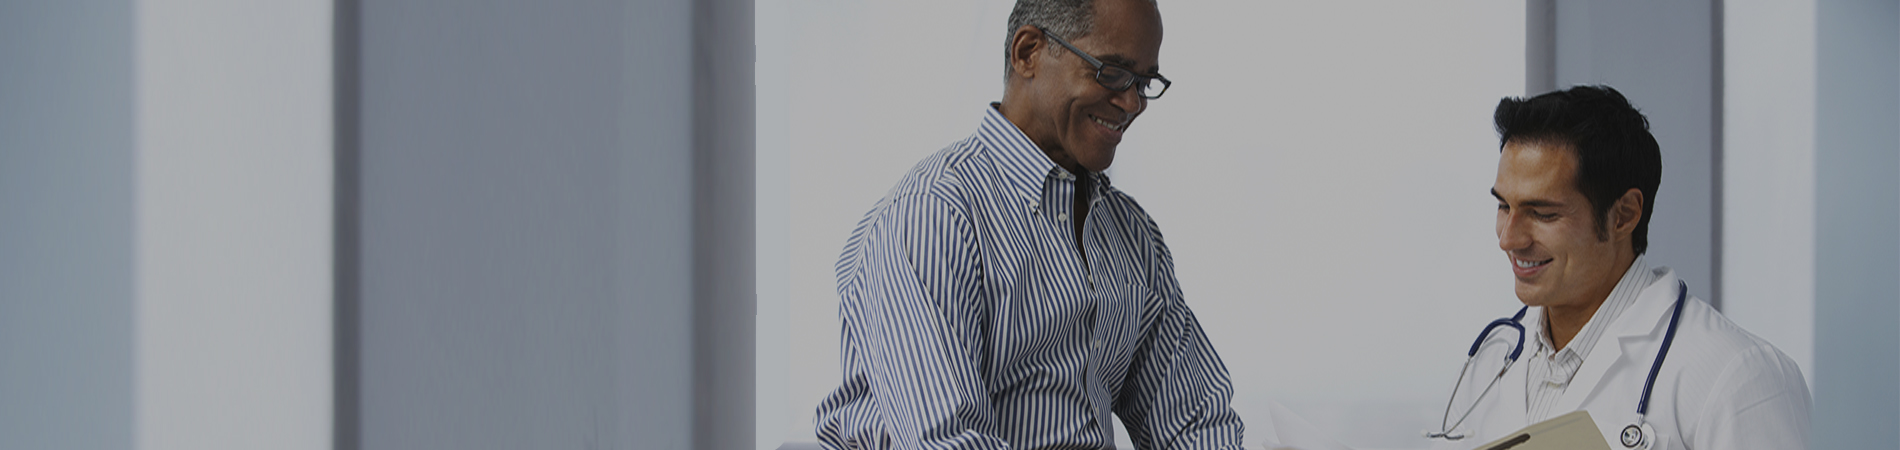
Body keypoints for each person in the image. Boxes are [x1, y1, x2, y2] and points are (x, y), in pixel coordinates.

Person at [812, 1, 1246, 449]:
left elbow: (1196, 423)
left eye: (1144, 82)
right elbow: (949, 442)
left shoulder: (1131, 235)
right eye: (1112, 72)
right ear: (1027, 53)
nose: (1132, 102)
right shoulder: (934, 216)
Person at [1430, 85, 1810, 449]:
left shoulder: (1736, 376)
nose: (1509, 239)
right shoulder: (1492, 360)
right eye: (1503, 207)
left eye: (1542, 213)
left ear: (1624, 215)